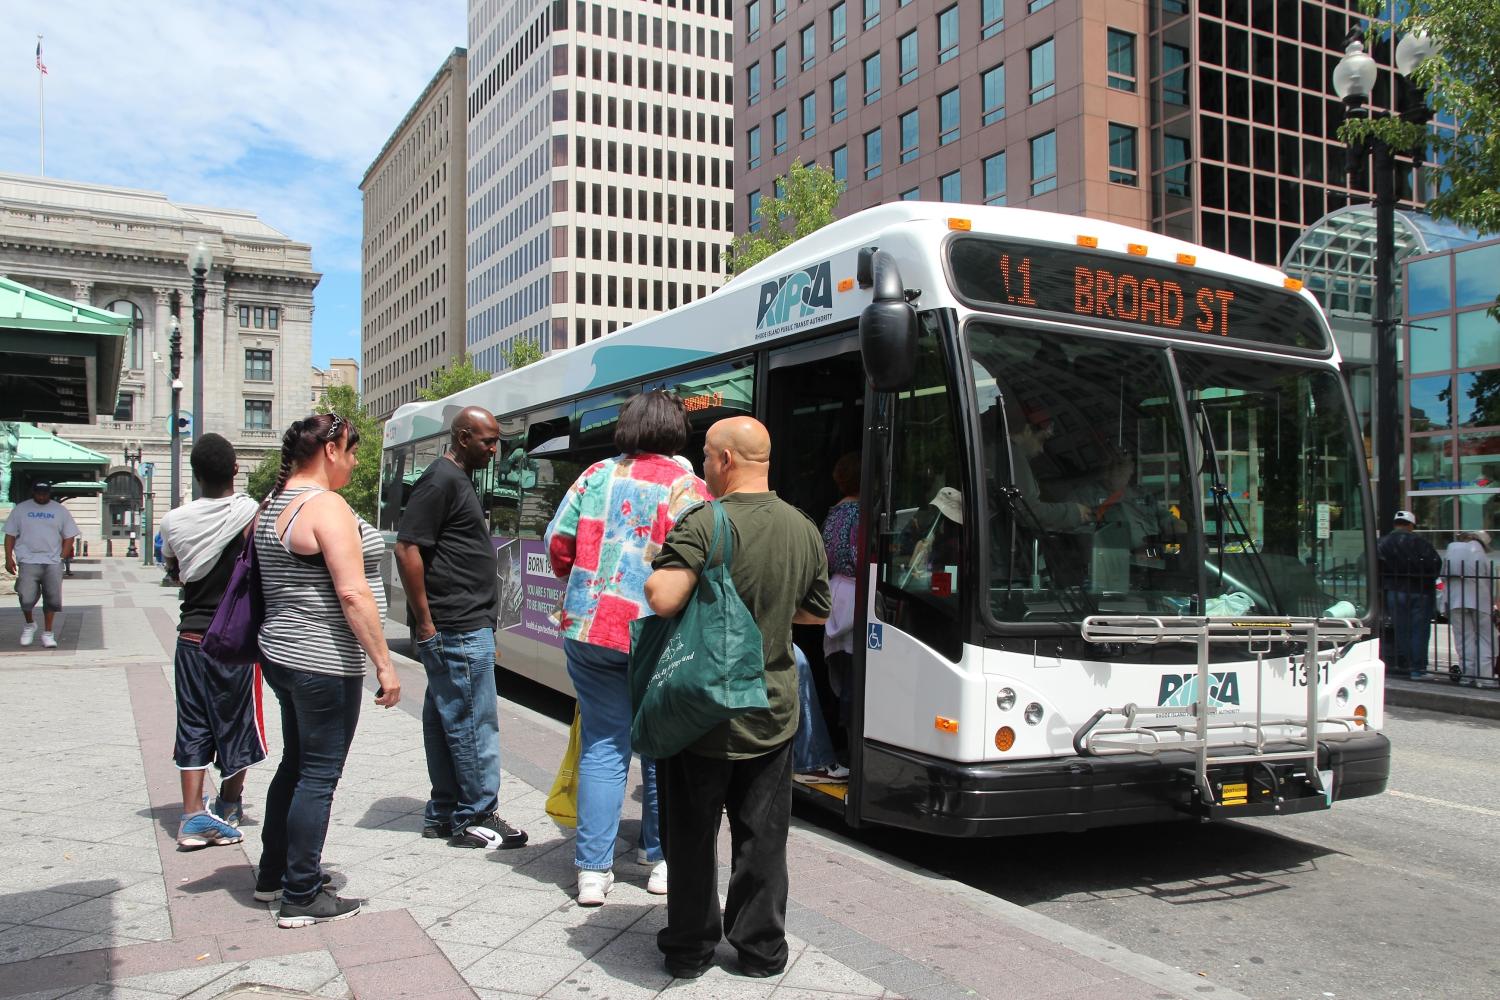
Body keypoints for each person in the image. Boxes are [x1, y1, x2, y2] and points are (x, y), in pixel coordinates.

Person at [645, 416, 831, 980]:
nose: (703, 465)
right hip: (771, 712)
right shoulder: (802, 528)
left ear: (725, 460)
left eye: (705, 456)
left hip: (703, 715)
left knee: (693, 834)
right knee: (763, 839)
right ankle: (759, 950)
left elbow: (663, 597)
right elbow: (815, 612)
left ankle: (689, 948)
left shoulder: (705, 522)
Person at [544, 391, 710, 906]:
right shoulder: (688, 486)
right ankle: (658, 859)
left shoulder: (593, 475)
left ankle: (592, 871)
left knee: (604, 743)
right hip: (656, 632)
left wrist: (584, 579)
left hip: (590, 628)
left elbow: (558, 542)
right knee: (661, 745)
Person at [255, 414, 401, 928]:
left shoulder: (273, 504)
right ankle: (300, 894)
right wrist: (384, 665)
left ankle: (273, 876)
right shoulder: (324, 506)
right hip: (322, 661)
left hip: (283, 654)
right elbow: (352, 591)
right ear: (331, 450)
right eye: (353, 450)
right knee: (318, 774)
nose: (356, 461)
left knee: (296, 766)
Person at [395, 406, 527, 852]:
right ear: (464, 436)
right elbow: (407, 548)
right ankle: (477, 814)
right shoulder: (441, 479)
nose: (495, 449)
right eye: (488, 441)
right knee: (475, 722)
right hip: (456, 624)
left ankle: (445, 810)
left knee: (446, 718)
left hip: (459, 623)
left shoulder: (456, 479)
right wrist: (427, 621)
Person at [158, 434, 266, 848]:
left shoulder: (174, 521)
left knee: (192, 721)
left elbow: (175, 570)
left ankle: (190, 817)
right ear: (235, 470)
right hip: (235, 641)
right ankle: (229, 804)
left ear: (195, 474)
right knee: (238, 722)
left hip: (190, 638)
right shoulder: (250, 516)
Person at [4, 480, 79, 649]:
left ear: (49, 493)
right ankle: (30, 624)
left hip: (51, 560)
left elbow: (69, 535)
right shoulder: (21, 509)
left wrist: (62, 556)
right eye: (38, 492)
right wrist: (9, 558)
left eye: (45, 493)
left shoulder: (59, 510)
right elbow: (10, 535)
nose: (42, 496)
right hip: (28, 559)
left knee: (52, 598)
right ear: (33, 492)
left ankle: (48, 633)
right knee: (25, 596)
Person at [1377, 510, 1443, 680]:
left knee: (1401, 630)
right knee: (1419, 631)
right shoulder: (1420, 542)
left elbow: (1371, 563)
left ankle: (1404, 665)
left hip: (1394, 590)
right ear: (1411, 525)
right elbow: (1435, 564)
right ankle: (1418, 668)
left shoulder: (1382, 543)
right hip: (1419, 591)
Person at [821, 452, 860, 734]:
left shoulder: (833, 513)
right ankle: (851, 740)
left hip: (835, 592)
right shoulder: (863, 513)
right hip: (856, 595)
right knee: (856, 674)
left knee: (843, 668)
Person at [1442, 529, 1496, 686]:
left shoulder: (1452, 551)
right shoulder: (1480, 555)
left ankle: (1467, 675)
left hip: (1455, 601)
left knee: (1464, 639)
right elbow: (1490, 581)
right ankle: (1485, 678)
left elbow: (1443, 575)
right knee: (1486, 639)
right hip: (1480, 602)